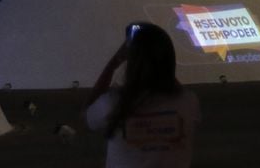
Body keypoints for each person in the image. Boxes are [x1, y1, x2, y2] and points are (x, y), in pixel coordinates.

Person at [85, 23, 200, 168]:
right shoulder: (188, 101)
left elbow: (89, 115)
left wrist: (114, 62)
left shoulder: (111, 103)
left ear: (132, 61)